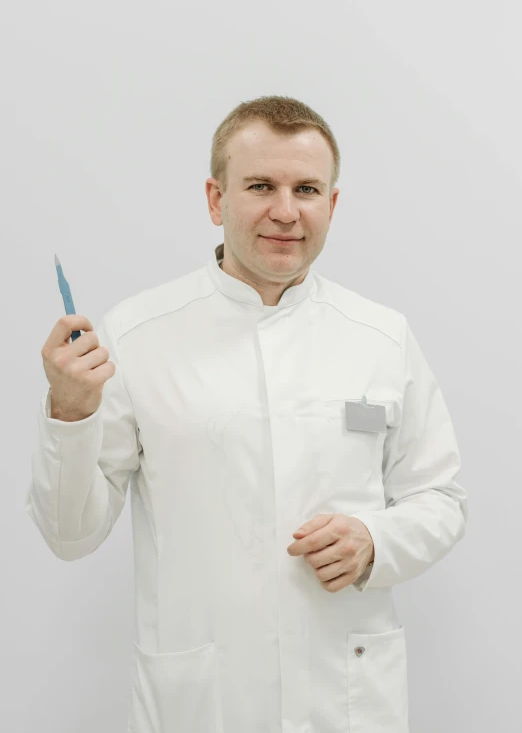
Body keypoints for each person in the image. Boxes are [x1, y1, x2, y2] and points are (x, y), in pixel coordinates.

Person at [26, 95, 468, 733]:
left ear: (332, 205)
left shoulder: (381, 336)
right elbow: (70, 536)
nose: (285, 212)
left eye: (306, 188)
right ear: (215, 199)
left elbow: (441, 495)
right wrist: (69, 413)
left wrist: (377, 541)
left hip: (347, 697)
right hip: (205, 701)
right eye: (260, 185)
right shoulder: (140, 335)